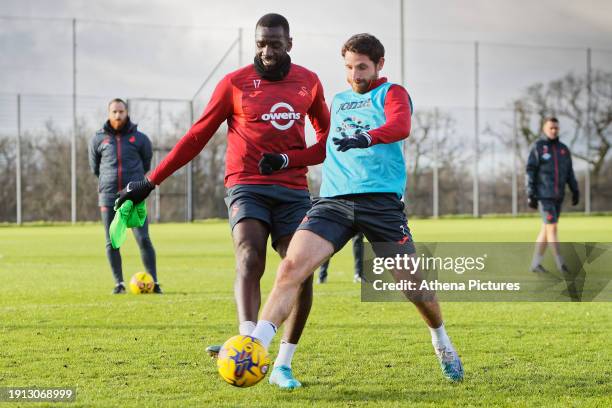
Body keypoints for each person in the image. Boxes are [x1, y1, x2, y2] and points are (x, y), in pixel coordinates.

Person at [113, 14, 330, 389]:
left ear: (289, 44)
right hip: (246, 184)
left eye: (275, 44)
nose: (267, 51)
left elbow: (324, 143)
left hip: (294, 190)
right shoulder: (235, 83)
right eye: (261, 43)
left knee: (301, 272)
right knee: (249, 255)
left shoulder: (309, 83)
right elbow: (197, 136)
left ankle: (282, 364)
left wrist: (289, 160)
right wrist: (150, 182)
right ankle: (247, 340)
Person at [249, 33, 464, 383]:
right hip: (334, 201)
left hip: (380, 203)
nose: (354, 75)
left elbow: (400, 126)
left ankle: (441, 339)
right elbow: (323, 150)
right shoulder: (339, 100)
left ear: (379, 64)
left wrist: (367, 136)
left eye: (362, 67)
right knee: (290, 269)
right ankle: (258, 348)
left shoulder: (392, 93)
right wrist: (286, 158)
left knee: (414, 289)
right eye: (349, 67)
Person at [88, 98, 161, 294]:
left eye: (121, 111)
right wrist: (108, 184)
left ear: (127, 113)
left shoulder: (140, 139)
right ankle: (118, 284)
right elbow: (95, 168)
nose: (118, 115)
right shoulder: (97, 140)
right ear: (109, 114)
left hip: (133, 197)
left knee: (143, 239)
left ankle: (154, 282)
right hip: (108, 196)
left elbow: (146, 164)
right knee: (112, 241)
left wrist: (134, 187)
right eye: (114, 112)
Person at [526, 117, 579, 274]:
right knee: (552, 227)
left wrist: (575, 190)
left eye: (556, 128)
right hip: (544, 196)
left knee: (546, 229)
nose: (554, 130)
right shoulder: (538, 147)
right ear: (544, 129)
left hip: (558, 196)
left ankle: (535, 265)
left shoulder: (563, 149)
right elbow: (530, 170)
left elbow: (569, 172)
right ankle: (561, 264)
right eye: (551, 128)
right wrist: (530, 192)